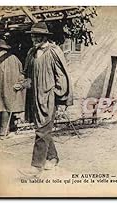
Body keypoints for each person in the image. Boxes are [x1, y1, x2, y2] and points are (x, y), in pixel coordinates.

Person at [19, 22, 73, 177]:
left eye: (36, 36)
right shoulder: (31, 53)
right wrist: (22, 83)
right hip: (35, 97)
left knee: (42, 131)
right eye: (32, 36)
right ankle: (53, 157)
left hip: (48, 97)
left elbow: (61, 76)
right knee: (43, 129)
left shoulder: (53, 52)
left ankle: (36, 166)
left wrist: (57, 95)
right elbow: (27, 73)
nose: (33, 38)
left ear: (44, 37)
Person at [0, 39, 26, 139]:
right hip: (9, 88)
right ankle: (3, 133)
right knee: (6, 108)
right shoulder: (15, 59)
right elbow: (22, 73)